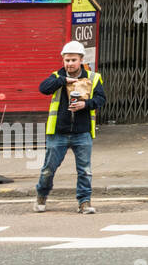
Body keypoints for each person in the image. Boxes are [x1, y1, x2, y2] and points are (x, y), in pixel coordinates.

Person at [35, 40, 106, 213]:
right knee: (48, 170)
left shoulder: (92, 78)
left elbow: (101, 99)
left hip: (82, 132)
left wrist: (86, 104)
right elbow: (43, 88)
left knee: (85, 170)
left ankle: (84, 202)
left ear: (81, 59)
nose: (70, 63)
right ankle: (42, 195)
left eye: (73, 60)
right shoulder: (56, 76)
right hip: (58, 132)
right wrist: (61, 80)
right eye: (67, 60)